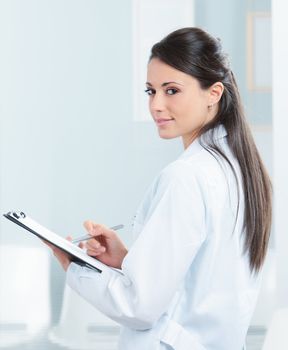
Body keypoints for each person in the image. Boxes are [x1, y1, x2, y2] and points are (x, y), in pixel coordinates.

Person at [46, 27, 272, 350]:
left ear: (214, 93)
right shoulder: (241, 172)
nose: (156, 105)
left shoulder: (186, 178)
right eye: (151, 91)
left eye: (172, 90)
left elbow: (139, 307)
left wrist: (76, 267)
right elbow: (198, 282)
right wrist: (126, 260)